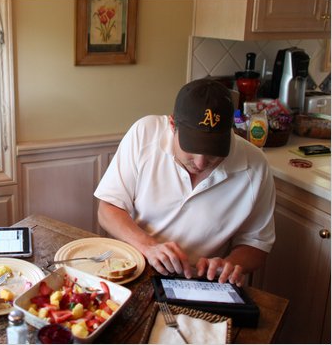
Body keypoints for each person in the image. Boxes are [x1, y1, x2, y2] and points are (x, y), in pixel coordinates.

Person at [94, 79, 275, 287]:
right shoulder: (145, 133)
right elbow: (107, 209)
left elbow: (256, 244)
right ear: (172, 125)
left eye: (213, 152)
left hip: (201, 283)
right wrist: (149, 246)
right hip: (133, 269)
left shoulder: (255, 165)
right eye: (192, 148)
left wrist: (229, 264)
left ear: (230, 132)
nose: (200, 162)